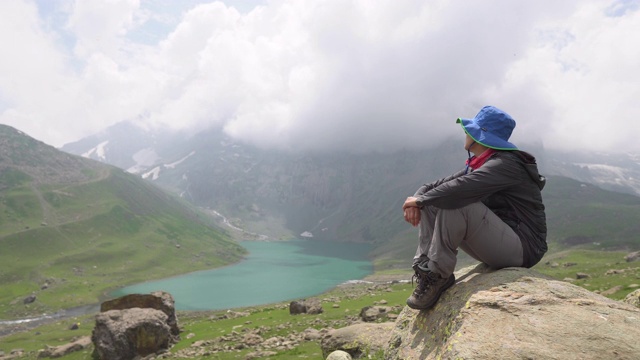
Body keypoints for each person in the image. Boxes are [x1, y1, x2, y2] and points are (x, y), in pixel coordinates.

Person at [402, 105, 547, 310]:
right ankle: (425, 268)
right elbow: (431, 188)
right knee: (432, 201)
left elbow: (460, 189)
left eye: (470, 129)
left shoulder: (506, 165)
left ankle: (438, 275)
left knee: (455, 201)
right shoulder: (482, 163)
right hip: (502, 243)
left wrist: (419, 201)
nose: (465, 133)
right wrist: (417, 200)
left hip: (523, 248)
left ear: (481, 135)